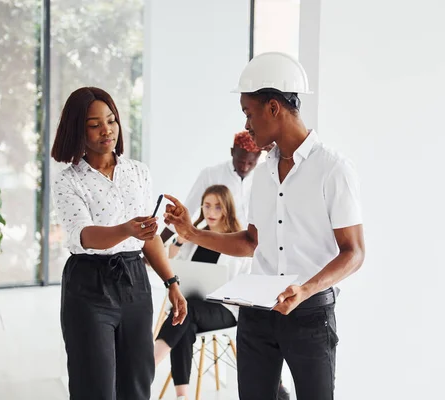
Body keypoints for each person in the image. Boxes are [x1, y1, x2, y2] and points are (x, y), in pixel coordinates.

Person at [163, 52, 366, 400]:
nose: (246, 125)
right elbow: (251, 241)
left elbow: (354, 252)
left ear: (273, 107)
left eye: (249, 113)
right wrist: (191, 233)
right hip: (257, 314)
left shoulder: (333, 169)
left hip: (310, 314)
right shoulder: (264, 172)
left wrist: (305, 289)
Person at [51, 86, 187, 400]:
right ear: (77, 129)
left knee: (138, 383)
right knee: (95, 387)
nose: (106, 130)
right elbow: (84, 235)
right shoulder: (68, 180)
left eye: (111, 120)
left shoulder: (138, 173)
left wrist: (172, 282)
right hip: (88, 285)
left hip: (134, 283)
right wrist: (126, 229)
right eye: (94, 124)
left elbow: (148, 238)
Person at [155, 185, 251, 400]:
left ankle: (150, 363)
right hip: (193, 307)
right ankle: (182, 396)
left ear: (227, 210)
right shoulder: (195, 238)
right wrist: (180, 240)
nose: (211, 212)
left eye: (217, 207)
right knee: (184, 321)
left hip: (225, 311)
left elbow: (244, 283)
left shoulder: (237, 242)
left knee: (184, 312)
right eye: (207, 206)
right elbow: (173, 267)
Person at [159, 131, 266, 244]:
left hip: (252, 246)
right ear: (232, 152)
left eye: (250, 163)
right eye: (241, 162)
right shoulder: (210, 174)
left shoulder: (263, 177)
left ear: (258, 157)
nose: (245, 167)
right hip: (219, 243)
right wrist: (156, 247)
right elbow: (187, 210)